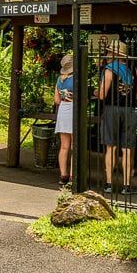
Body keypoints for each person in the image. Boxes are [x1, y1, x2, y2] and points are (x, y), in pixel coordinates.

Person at [95, 40, 137, 195]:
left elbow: (102, 95)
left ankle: (109, 183)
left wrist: (96, 92)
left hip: (111, 110)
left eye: (109, 52)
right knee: (127, 148)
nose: (107, 55)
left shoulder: (108, 70)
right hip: (129, 110)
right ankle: (126, 185)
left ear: (113, 54)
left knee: (111, 146)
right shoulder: (133, 70)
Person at [54, 54, 75, 186]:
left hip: (63, 109)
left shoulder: (59, 80)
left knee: (64, 145)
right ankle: (73, 175)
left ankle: (63, 175)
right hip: (73, 109)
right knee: (75, 145)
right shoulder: (76, 79)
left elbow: (56, 100)